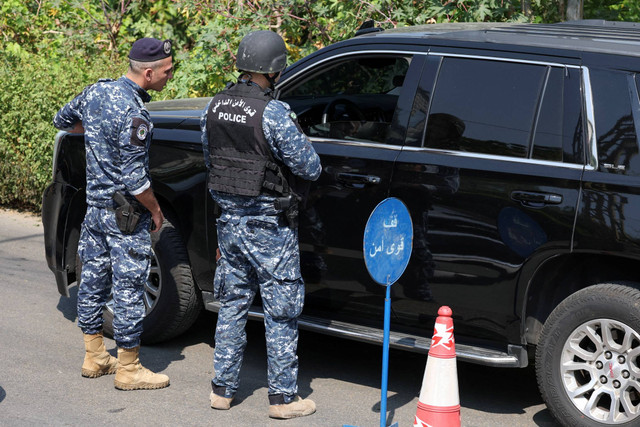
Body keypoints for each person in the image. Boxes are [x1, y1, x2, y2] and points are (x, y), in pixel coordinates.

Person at [200, 30, 321, 419]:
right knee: (281, 310)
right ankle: (283, 400)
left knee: (233, 306)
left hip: (228, 225)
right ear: (274, 70)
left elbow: (210, 158)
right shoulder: (273, 113)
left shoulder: (215, 106)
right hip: (269, 227)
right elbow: (310, 167)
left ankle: (222, 390)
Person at [53, 37, 174, 390]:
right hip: (126, 215)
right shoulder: (135, 113)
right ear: (149, 72)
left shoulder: (96, 93)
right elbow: (136, 179)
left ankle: (94, 356)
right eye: (168, 71)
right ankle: (129, 369)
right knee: (128, 288)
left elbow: (62, 120)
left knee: (92, 280)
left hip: (96, 211)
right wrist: (155, 209)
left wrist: (93, 134)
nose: (171, 76)